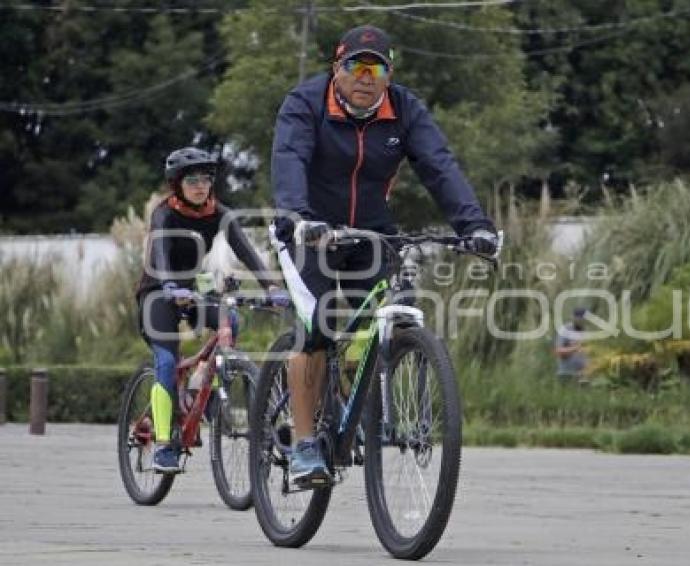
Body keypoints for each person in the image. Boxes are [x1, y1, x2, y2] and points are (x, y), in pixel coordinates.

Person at [271, 24, 499, 486]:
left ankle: (344, 407)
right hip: (308, 230)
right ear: (337, 69)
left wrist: (474, 226)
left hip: (372, 234)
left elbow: (439, 166)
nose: (366, 75)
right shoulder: (305, 103)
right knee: (317, 327)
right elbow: (290, 157)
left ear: (389, 74)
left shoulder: (405, 110)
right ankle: (304, 444)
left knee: (367, 329)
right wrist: (298, 216)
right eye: (355, 65)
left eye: (377, 67)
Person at [137, 147, 283, 473]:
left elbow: (246, 251)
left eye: (206, 178)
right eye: (192, 180)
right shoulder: (164, 213)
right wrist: (168, 286)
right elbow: (160, 251)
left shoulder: (218, 212)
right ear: (177, 183)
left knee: (228, 321)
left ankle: (202, 387)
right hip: (156, 294)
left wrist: (270, 287)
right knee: (165, 360)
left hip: (189, 292)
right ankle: (164, 445)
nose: (201, 186)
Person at [554, 307, 589, 381]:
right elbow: (559, 351)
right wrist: (575, 348)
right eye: (579, 318)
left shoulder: (586, 331)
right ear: (573, 317)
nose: (581, 320)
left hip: (583, 375)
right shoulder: (565, 330)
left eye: (583, 318)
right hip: (567, 374)